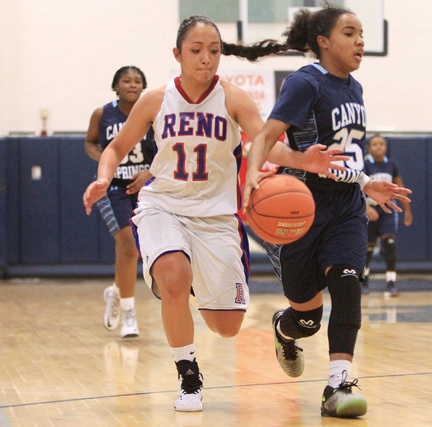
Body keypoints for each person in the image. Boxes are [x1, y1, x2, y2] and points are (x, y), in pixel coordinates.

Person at [83, 15, 348, 412]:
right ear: (177, 54)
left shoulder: (233, 97)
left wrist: (302, 159)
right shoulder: (155, 99)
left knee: (226, 327)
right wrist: (104, 177)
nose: (206, 59)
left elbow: (265, 144)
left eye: (214, 51)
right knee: (174, 277)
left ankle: (184, 279)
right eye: (196, 51)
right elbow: (116, 148)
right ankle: (188, 373)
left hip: (217, 217)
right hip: (164, 206)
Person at [243, 4, 412, 418]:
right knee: (307, 317)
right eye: (350, 33)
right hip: (299, 204)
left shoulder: (355, 88)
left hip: (346, 206)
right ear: (323, 42)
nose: (360, 42)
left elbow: (345, 155)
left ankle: (338, 385)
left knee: (349, 282)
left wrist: (366, 182)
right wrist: (251, 175)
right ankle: (286, 330)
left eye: (361, 34)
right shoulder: (306, 83)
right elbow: (266, 135)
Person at [85, 66, 155, 339]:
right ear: (116, 86)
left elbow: (167, 149)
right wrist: (105, 161)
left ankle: (116, 291)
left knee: (142, 248)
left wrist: (150, 172)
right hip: (112, 187)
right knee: (127, 247)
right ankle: (129, 314)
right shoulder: (103, 114)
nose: (132, 84)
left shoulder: (153, 111)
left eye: (138, 80)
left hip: (147, 185)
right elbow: (91, 143)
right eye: (126, 80)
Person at [362, 134, 413, 296]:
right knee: (368, 247)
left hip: (388, 211)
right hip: (370, 209)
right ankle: (364, 281)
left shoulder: (392, 164)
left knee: (389, 243)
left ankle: (391, 282)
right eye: (375, 144)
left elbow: (399, 186)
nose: (379, 147)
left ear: (386, 147)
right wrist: (366, 207)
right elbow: (358, 187)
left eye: (382, 144)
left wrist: (408, 210)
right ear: (369, 147)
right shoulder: (364, 164)